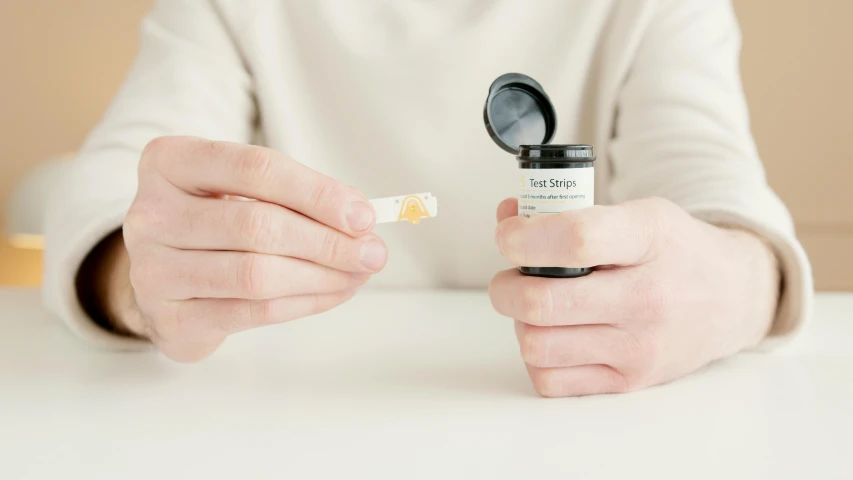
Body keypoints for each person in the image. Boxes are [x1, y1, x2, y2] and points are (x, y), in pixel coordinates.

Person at [43, 0, 812, 397]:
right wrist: (138, 279)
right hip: (295, 419)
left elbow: (716, 179)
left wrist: (742, 283)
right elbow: (110, 187)